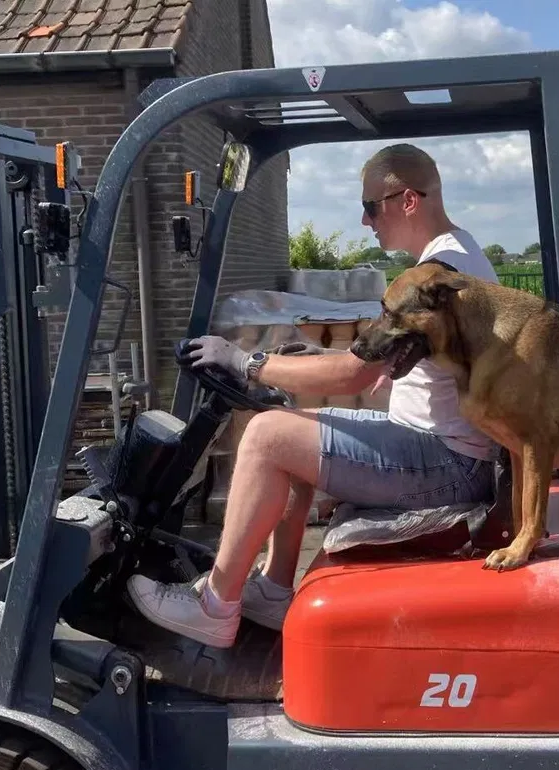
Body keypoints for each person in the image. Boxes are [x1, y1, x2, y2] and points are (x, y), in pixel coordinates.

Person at [127, 143, 501, 648]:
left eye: (371, 206)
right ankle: (274, 589)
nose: (365, 221)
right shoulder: (454, 255)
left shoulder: (440, 271)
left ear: (408, 201)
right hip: (444, 450)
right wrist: (354, 361)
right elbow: (403, 358)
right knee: (294, 421)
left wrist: (245, 362)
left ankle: (215, 607)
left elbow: (350, 375)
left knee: (266, 436)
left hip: (445, 463)